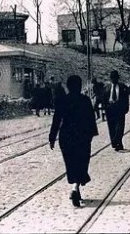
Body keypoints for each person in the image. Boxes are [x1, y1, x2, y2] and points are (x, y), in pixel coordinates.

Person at [49, 75, 98, 207]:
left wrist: (52, 138)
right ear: (80, 86)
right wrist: (92, 134)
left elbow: (56, 121)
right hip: (82, 137)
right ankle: (75, 188)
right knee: (82, 163)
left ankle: (75, 188)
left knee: (71, 164)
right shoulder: (85, 100)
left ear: (68, 86)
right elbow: (91, 119)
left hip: (66, 138)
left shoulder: (61, 100)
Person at [104, 70, 130, 151]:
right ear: (110, 79)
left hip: (120, 109)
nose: (114, 80)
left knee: (120, 127)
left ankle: (118, 141)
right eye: (112, 78)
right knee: (112, 127)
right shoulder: (106, 88)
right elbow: (103, 99)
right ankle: (116, 143)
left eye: (115, 78)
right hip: (110, 110)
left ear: (118, 78)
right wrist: (105, 108)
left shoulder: (123, 87)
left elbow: (126, 98)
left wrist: (126, 108)